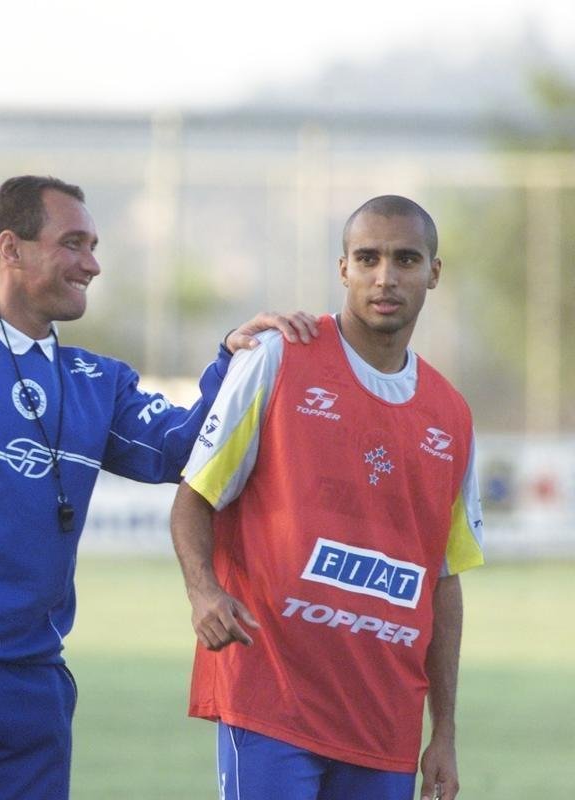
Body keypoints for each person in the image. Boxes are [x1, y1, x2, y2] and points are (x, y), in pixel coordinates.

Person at [0, 174, 318, 799]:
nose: (92, 264)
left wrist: (234, 360)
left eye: (93, 247)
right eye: (73, 244)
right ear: (10, 248)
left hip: (32, 681)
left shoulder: (98, 381)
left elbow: (179, 450)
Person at [170, 195, 484, 800]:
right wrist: (202, 591)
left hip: (385, 722)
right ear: (343, 269)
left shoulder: (451, 414)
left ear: (433, 273)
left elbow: (443, 580)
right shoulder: (279, 357)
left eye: (405, 259)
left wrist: (443, 731)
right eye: (367, 258)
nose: (385, 277)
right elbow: (195, 497)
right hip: (271, 700)